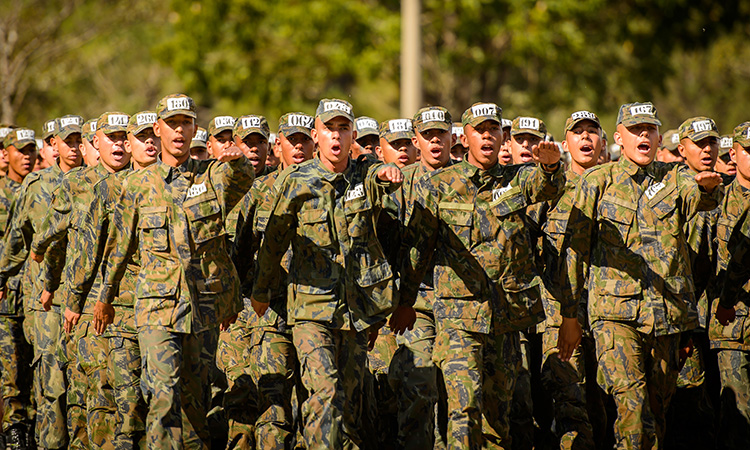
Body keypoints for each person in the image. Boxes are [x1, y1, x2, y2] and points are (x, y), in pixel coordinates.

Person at [394, 102, 569, 448]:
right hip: (459, 319)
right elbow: (419, 248)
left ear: (504, 137)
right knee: (465, 407)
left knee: (496, 417)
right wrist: (405, 302)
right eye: (479, 130)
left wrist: (550, 167)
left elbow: (546, 187)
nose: (487, 135)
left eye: (494, 129)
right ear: (466, 137)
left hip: (505, 320)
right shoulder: (441, 184)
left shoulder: (519, 179)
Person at [96, 93, 253, 449]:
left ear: (196, 128)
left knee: (195, 401)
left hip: (202, 307)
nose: (179, 130)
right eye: (172, 124)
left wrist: (237, 160)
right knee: (164, 394)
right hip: (155, 307)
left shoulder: (212, 178)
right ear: (158, 129)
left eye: (186, 123)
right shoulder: (136, 185)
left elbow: (243, 181)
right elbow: (118, 247)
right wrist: (105, 298)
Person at [565, 102, 723, 449]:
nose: (643, 136)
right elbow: (576, 249)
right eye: (635, 130)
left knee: (655, 414)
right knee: (632, 409)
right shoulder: (598, 181)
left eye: (649, 130)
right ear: (619, 137)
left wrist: (708, 188)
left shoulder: (676, 176)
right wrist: (570, 315)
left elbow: (697, 195)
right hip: (614, 317)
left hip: (666, 317)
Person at [251, 98, 403, 449]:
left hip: (355, 311)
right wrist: (261, 291)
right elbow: (273, 242)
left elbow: (382, 181)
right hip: (309, 309)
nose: (336, 137)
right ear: (315, 136)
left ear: (353, 135)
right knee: (325, 389)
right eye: (328, 129)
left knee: (348, 405)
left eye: (343, 129)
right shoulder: (296, 182)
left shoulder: (365, 174)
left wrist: (386, 173)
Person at [32, 111, 135, 449]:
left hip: (135, 302)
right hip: (86, 302)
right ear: (97, 142)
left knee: (131, 401)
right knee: (90, 393)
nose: (119, 145)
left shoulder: (144, 182)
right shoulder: (77, 183)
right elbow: (54, 239)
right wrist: (51, 285)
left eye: (123, 137)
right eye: (111, 138)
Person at [222, 111, 316, 449]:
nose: (299, 147)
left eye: (305, 139)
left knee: (314, 405)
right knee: (271, 405)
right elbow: (239, 254)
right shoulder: (259, 191)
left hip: (317, 310)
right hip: (268, 310)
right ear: (281, 145)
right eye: (292, 140)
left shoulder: (328, 185)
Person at [0, 116, 86, 450]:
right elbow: (17, 241)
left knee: (82, 381)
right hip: (45, 299)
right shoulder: (37, 186)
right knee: (51, 383)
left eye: (81, 141)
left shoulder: (94, 181)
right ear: (53, 146)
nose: (76, 148)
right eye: (69, 141)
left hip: (84, 298)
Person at [385, 105, 454, 449]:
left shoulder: (466, 180)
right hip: (416, 306)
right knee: (419, 388)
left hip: (463, 307)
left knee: (459, 400)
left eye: (441, 133)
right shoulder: (400, 183)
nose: (435, 140)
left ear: (453, 137)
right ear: (416, 141)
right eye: (428, 135)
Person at [538, 110, 608, 450]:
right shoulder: (550, 187)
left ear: (603, 142)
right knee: (571, 408)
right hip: (559, 312)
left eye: (591, 132)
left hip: (613, 310)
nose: (585, 138)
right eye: (576, 132)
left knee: (608, 407)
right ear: (565, 143)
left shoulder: (617, 186)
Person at [708, 121, 750, 450]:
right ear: (733, 154)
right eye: (748, 151)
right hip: (732, 325)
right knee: (737, 417)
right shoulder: (714, 197)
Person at [0, 128, 37, 449]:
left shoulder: (39, 189)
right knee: (10, 364)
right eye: (20, 150)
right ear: (6, 154)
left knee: (33, 363)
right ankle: (13, 426)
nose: (26, 156)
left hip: (36, 292)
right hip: (6, 293)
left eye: (30, 151)